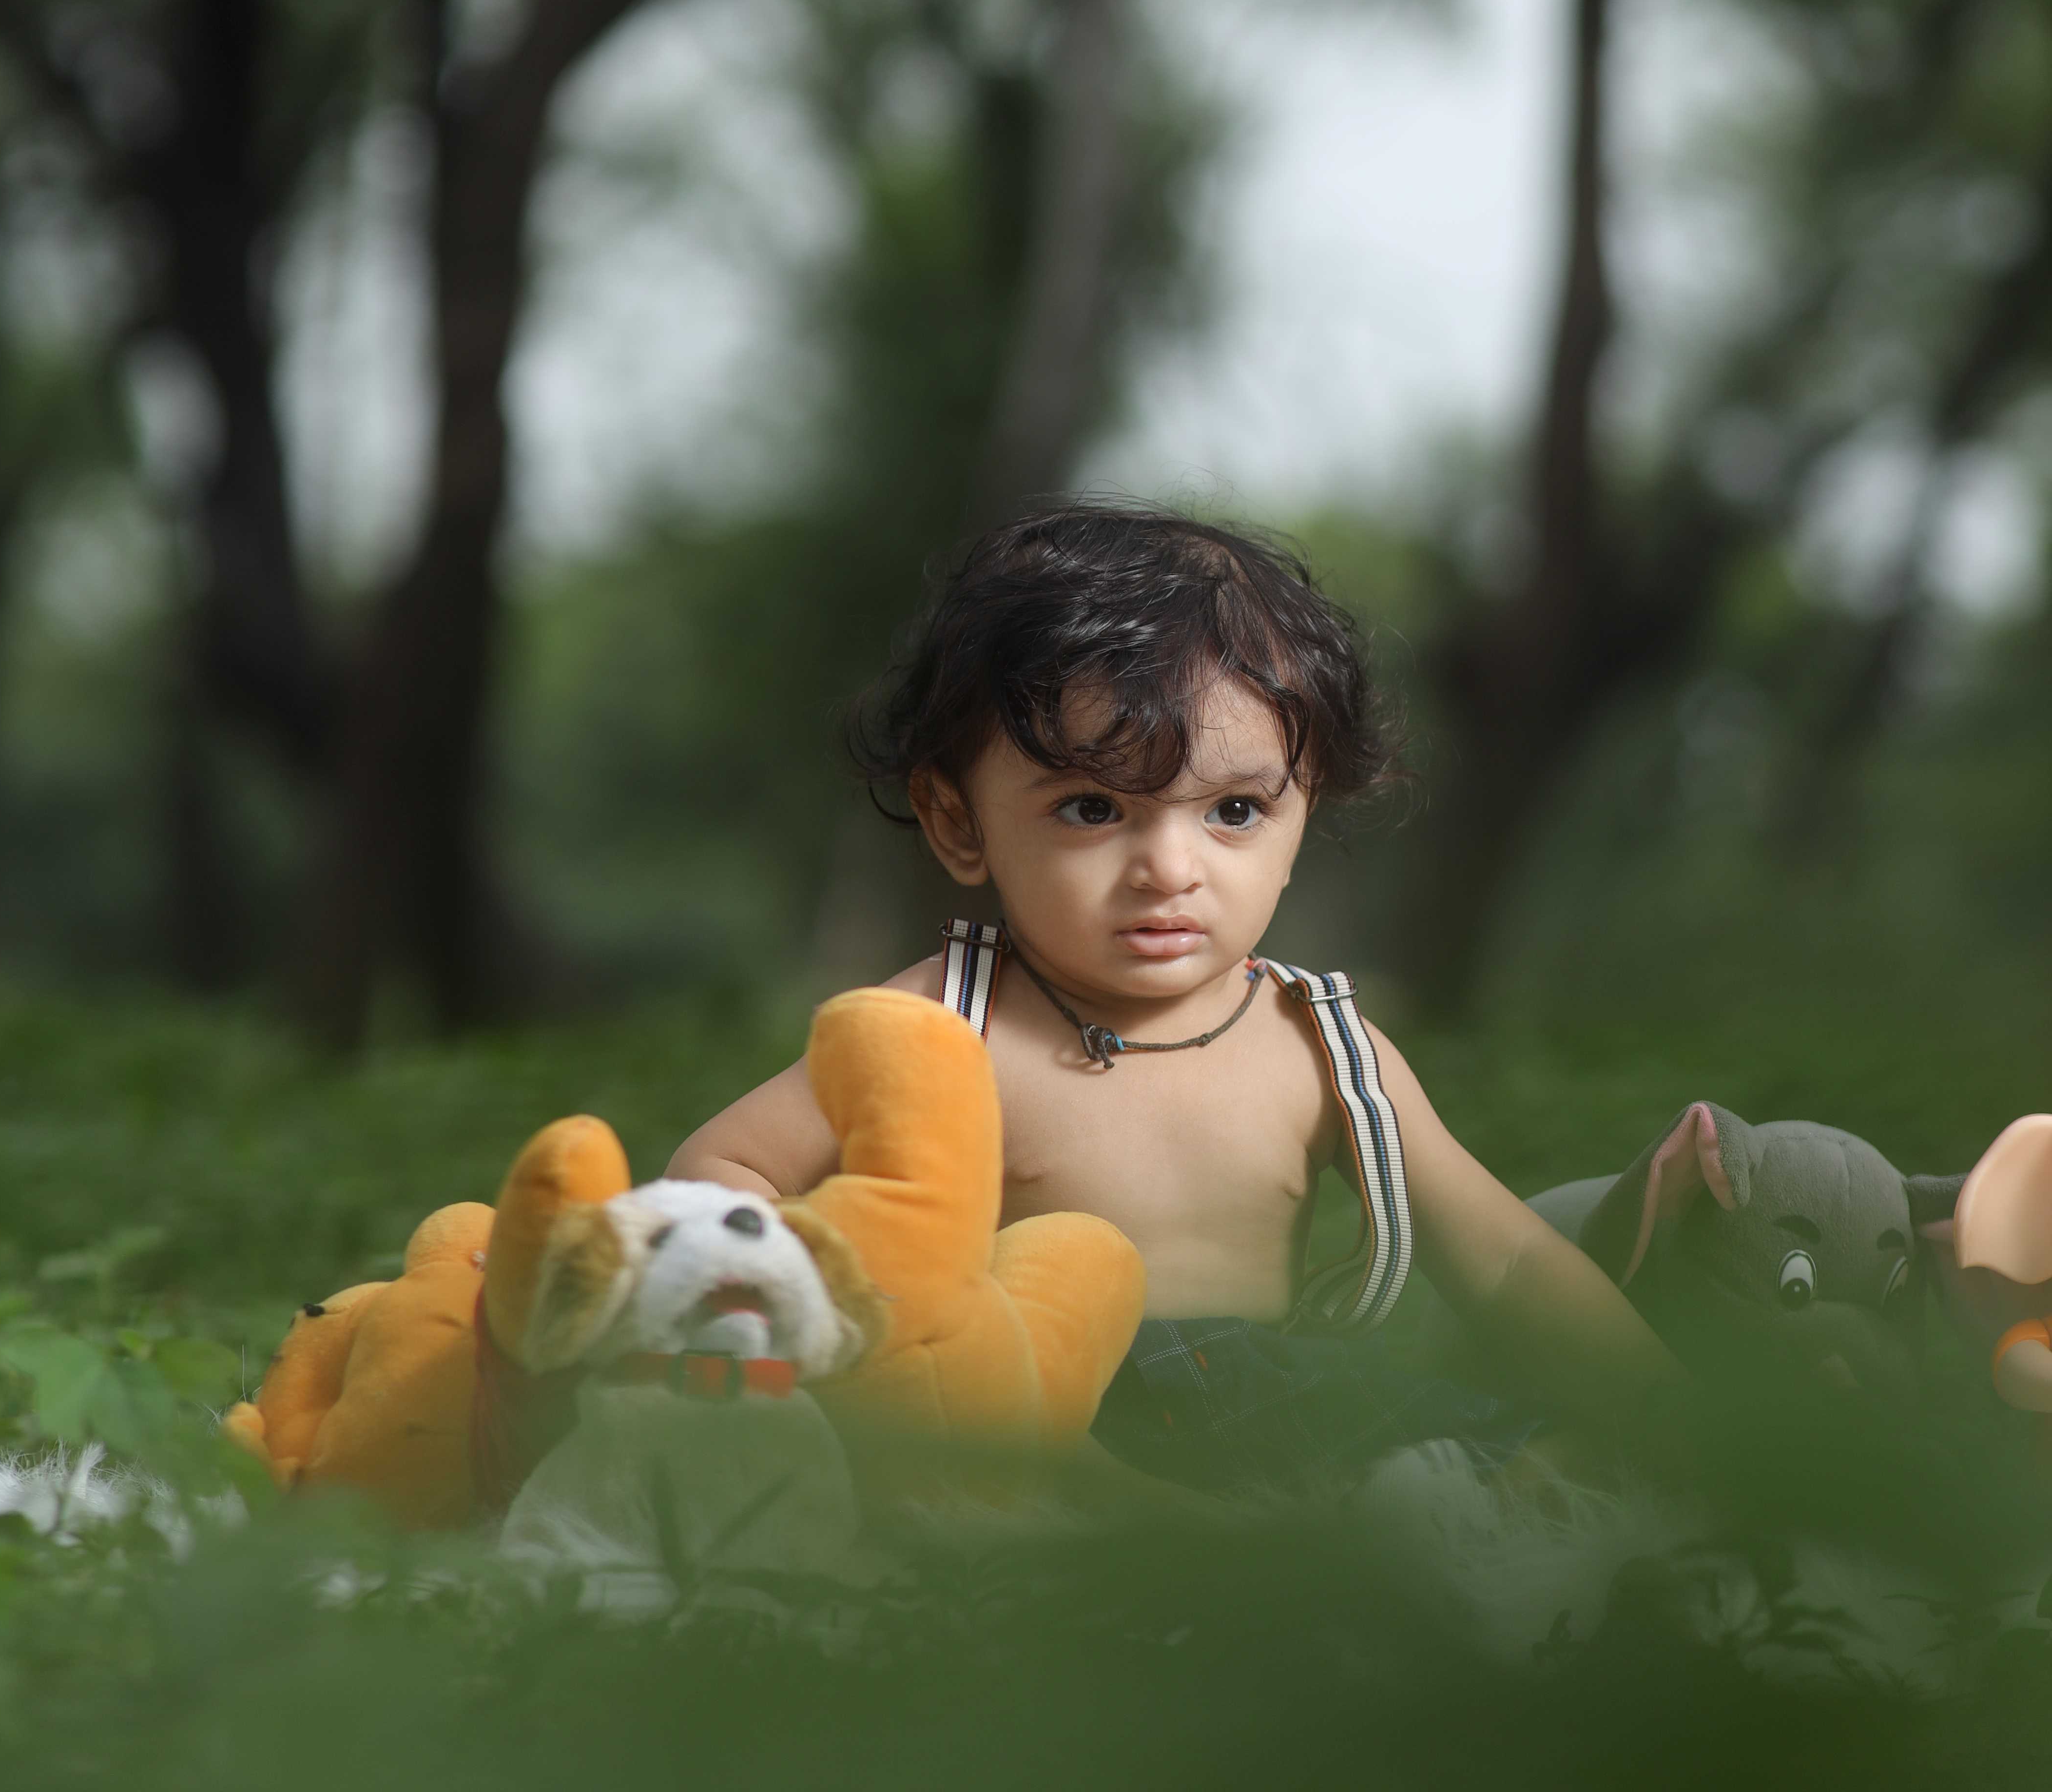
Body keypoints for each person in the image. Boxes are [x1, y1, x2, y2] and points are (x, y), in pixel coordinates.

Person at [669, 505, 1674, 1485]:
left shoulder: (1320, 1048)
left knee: (1481, 1459)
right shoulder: (945, 1023)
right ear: (958, 823)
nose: (1169, 870)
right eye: (1092, 808)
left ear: (1303, 809)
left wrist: (1671, 1415)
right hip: (1027, 1409)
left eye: (1233, 811)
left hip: (1272, 1415)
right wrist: (830, 1315)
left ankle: (1476, 1513)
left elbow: (1505, 1262)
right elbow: (724, 1166)